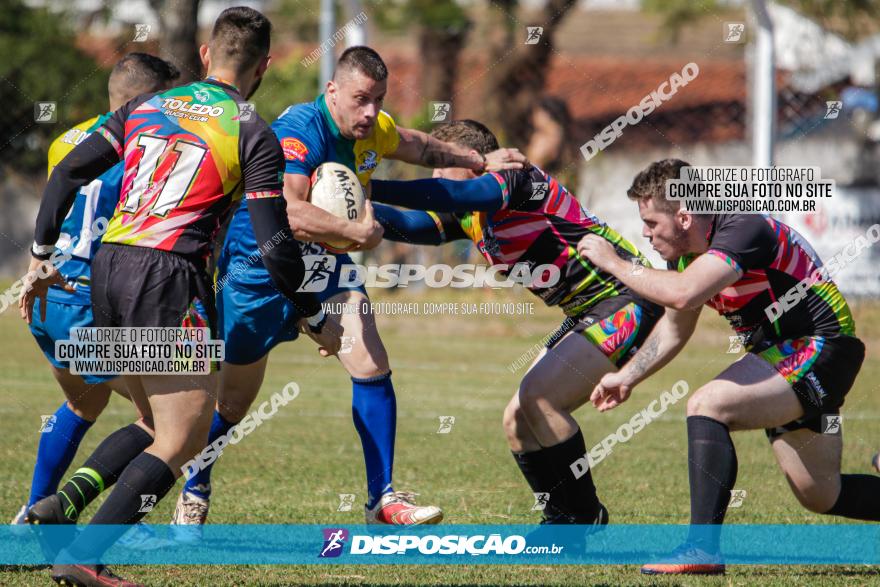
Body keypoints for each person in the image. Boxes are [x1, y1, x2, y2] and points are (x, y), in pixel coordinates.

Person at [22, 7, 339, 586]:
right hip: (168, 275)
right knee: (186, 436)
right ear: (265, 66)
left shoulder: (147, 105)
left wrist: (42, 252)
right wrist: (314, 309)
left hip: (109, 270)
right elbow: (274, 242)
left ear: (203, 55)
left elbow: (67, 172)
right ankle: (85, 556)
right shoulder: (252, 130)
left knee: (148, 419)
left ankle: (62, 506)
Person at [173, 47, 527, 528]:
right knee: (234, 403)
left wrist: (479, 159)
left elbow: (419, 146)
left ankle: (381, 500)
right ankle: (196, 480)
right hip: (260, 269)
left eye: (378, 100)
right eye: (361, 99)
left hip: (322, 263)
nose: (371, 113)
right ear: (332, 91)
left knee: (370, 358)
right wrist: (357, 234)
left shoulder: (372, 128)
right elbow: (288, 212)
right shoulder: (300, 129)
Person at [576, 158, 877, 575]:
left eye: (651, 222)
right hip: (782, 359)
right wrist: (626, 376)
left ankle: (701, 549)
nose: (645, 233)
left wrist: (613, 263)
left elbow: (683, 295)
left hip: (819, 349)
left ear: (684, 215)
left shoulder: (743, 227)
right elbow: (675, 328)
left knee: (707, 404)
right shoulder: (685, 258)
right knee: (821, 493)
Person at [368, 119, 664, 526]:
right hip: (586, 310)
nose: (434, 174)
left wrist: (371, 184)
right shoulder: (469, 211)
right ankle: (560, 519)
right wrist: (353, 205)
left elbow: (451, 190)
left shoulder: (511, 180)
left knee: (541, 398)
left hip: (625, 297)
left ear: (473, 162)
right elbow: (416, 225)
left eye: (441, 163)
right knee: (518, 420)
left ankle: (583, 517)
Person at [11, 53, 179, 528]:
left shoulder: (68, 138)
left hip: (48, 301)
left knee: (84, 402)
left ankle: (32, 511)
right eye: (169, 100)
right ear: (147, 100)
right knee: (166, 421)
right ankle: (69, 510)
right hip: (90, 304)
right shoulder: (147, 148)